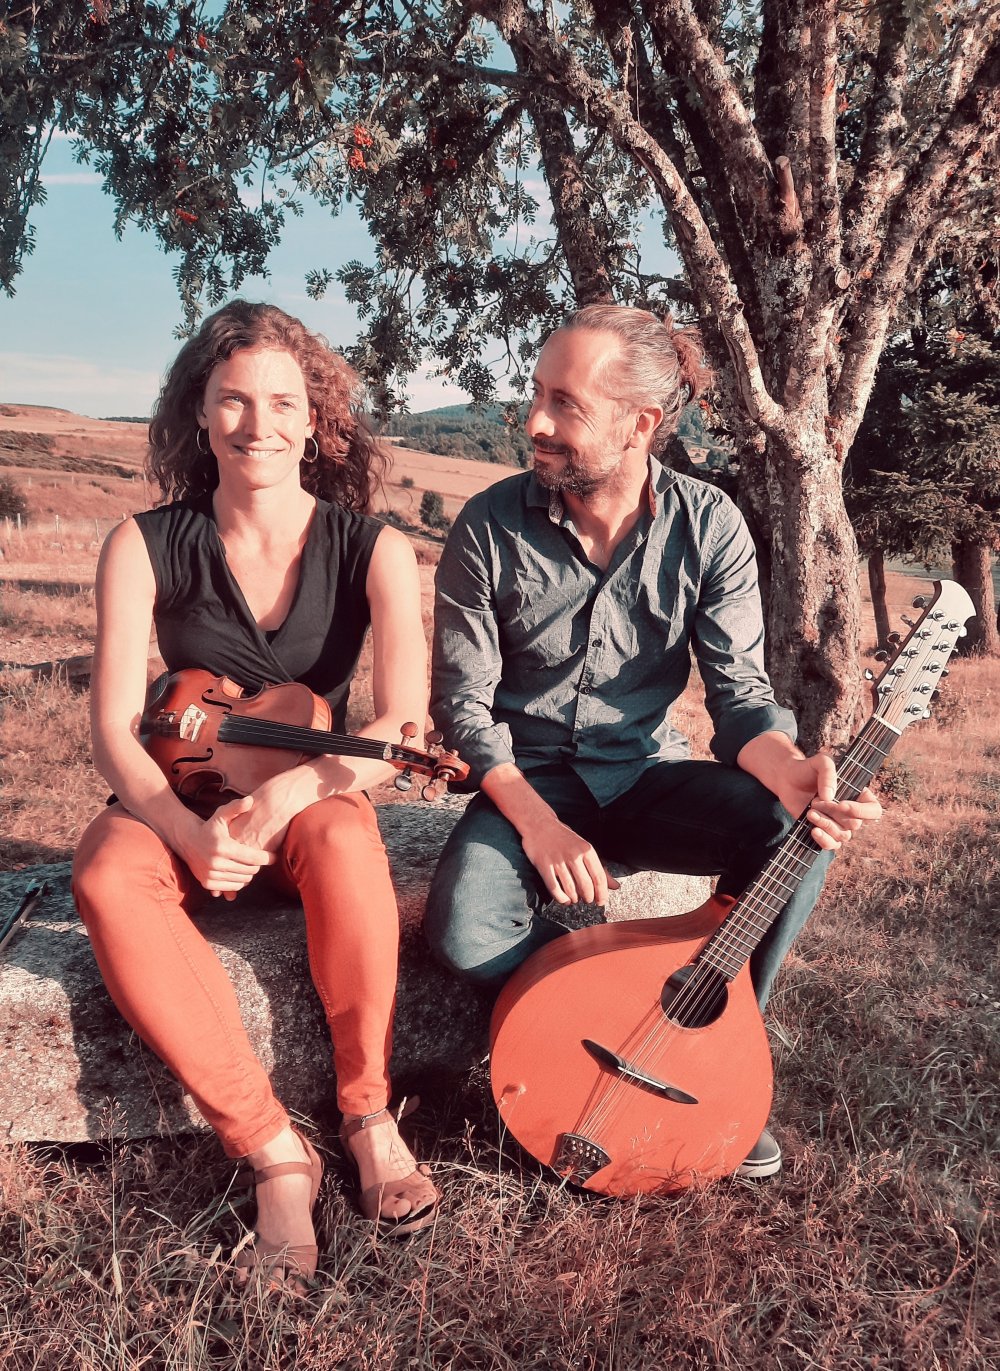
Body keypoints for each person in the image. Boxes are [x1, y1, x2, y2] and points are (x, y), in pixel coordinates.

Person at [425, 303, 882, 1179]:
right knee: (464, 926)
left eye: (564, 402)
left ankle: (714, 1048)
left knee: (794, 835)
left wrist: (790, 772)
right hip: (529, 784)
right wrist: (538, 824)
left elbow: (741, 700)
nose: (534, 420)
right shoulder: (487, 525)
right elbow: (464, 707)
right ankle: (615, 1028)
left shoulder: (710, 526)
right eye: (537, 393)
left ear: (641, 423)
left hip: (644, 773)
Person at [72, 301, 440, 1293]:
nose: (257, 423)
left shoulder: (374, 549)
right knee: (104, 871)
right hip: (187, 792)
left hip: (312, 798)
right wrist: (186, 833)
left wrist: (285, 799)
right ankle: (276, 1150)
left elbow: (402, 726)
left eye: (282, 402)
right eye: (233, 400)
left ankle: (366, 1113)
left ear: (316, 420)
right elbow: (114, 731)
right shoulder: (142, 543)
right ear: (199, 412)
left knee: (340, 832)